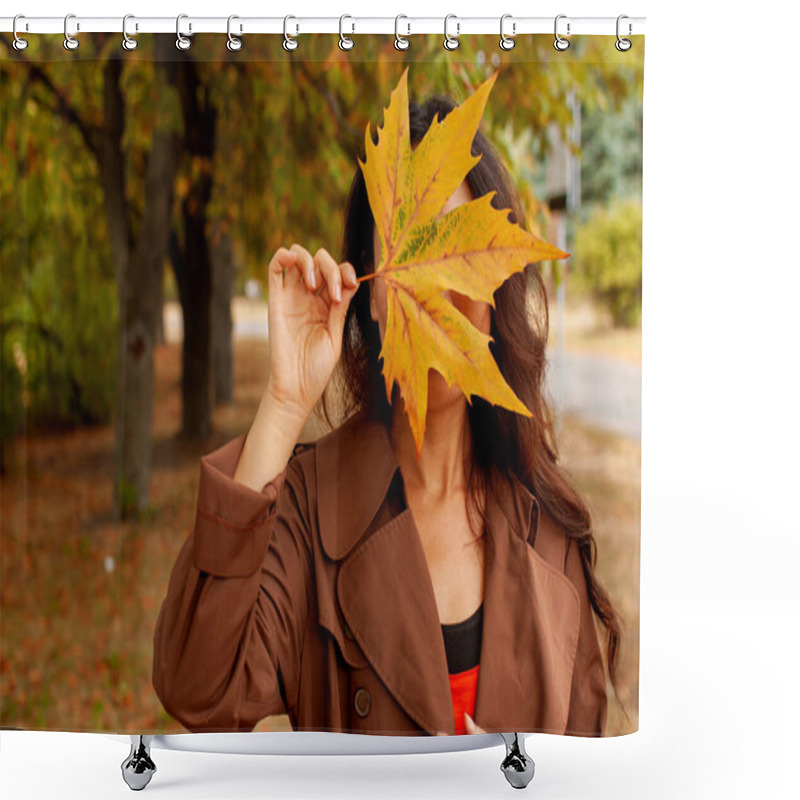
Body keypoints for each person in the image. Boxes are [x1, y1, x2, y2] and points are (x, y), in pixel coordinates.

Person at [152, 93, 622, 738]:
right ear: (370, 293)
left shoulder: (547, 527)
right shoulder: (311, 509)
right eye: (407, 260)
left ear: (495, 280)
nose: (433, 295)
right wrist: (285, 401)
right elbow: (197, 686)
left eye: (451, 251)